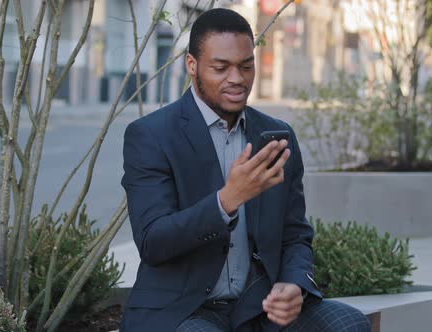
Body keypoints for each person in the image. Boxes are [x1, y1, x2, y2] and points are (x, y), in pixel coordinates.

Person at [120, 8, 371, 332]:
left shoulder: (276, 137)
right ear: (192, 65)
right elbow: (154, 241)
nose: (236, 79)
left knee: (348, 324)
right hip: (185, 309)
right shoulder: (151, 135)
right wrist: (226, 200)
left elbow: (295, 233)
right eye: (221, 68)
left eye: (246, 66)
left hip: (259, 305)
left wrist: (294, 283)